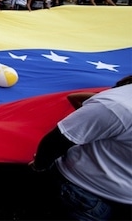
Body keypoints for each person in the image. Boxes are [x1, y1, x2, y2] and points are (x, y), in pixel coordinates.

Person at [29, 77, 132, 220]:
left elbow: (58, 139)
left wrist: (39, 166)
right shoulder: (116, 107)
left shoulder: (117, 107)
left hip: (82, 193)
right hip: (95, 196)